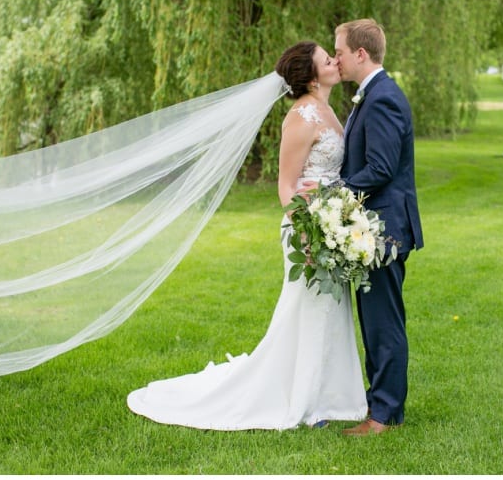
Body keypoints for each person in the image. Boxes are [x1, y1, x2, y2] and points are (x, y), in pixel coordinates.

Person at [126, 41, 367, 430]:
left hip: (330, 223)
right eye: (327, 60)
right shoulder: (301, 117)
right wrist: (308, 230)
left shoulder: (327, 110)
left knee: (331, 309)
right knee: (305, 309)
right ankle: (305, 400)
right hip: (308, 228)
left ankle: (332, 396)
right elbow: (286, 186)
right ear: (309, 76)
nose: (335, 62)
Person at [333, 19, 424, 436]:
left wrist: (336, 194)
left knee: (383, 321)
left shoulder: (383, 98)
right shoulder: (372, 95)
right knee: (375, 319)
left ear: (360, 54)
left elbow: (382, 168)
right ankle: (382, 407)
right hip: (374, 226)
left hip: (383, 228)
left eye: (339, 51)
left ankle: (383, 416)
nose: (336, 58)